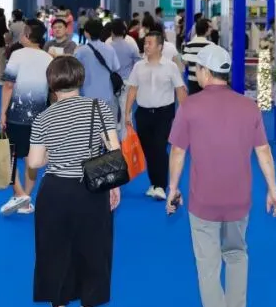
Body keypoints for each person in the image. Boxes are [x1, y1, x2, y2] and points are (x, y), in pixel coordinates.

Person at [166, 43, 276, 307]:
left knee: (208, 266)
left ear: (205, 71)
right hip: (239, 199)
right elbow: (263, 151)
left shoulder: (190, 106)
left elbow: (178, 152)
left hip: (203, 200)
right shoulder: (248, 106)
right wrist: (273, 189)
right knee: (237, 254)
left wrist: (173, 188)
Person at [27, 56, 120, 307]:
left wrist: (54, 153)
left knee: (54, 254)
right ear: (80, 79)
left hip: (55, 192)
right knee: (94, 250)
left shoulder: (43, 117)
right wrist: (114, 187)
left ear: (52, 83)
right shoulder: (99, 108)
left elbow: (34, 162)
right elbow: (114, 149)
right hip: (91, 189)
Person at [124, 30, 187, 200]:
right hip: (143, 113)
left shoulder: (170, 66)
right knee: (148, 150)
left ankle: (160, 185)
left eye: (149, 43)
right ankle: (154, 184)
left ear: (160, 47)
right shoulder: (138, 66)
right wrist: (127, 112)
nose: (146, 46)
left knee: (159, 148)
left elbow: (180, 90)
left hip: (164, 113)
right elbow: (132, 90)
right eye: (145, 43)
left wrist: (184, 114)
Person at [0, 19, 53, 216]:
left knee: (8, 156)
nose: (20, 35)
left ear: (28, 36)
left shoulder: (17, 55)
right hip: (40, 115)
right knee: (32, 158)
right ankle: (25, 199)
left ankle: (20, 194)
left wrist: (2, 112)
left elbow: (8, 85)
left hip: (16, 114)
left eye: (23, 32)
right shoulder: (48, 58)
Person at [74, 18, 122, 124]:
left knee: (89, 126)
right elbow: (116, 67)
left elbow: (75, 71)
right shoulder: (109, 48)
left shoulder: (81, 51)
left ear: (86, 33)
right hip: (107, 94)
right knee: (106, 126)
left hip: (86, 95)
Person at [182, 19, 213, 95]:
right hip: (206, 79)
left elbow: (185, 62)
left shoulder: (189, 45)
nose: (211, 29)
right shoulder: (211, 45)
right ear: (206, 30)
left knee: (194, 99)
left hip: (192, 79)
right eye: (209, 27)